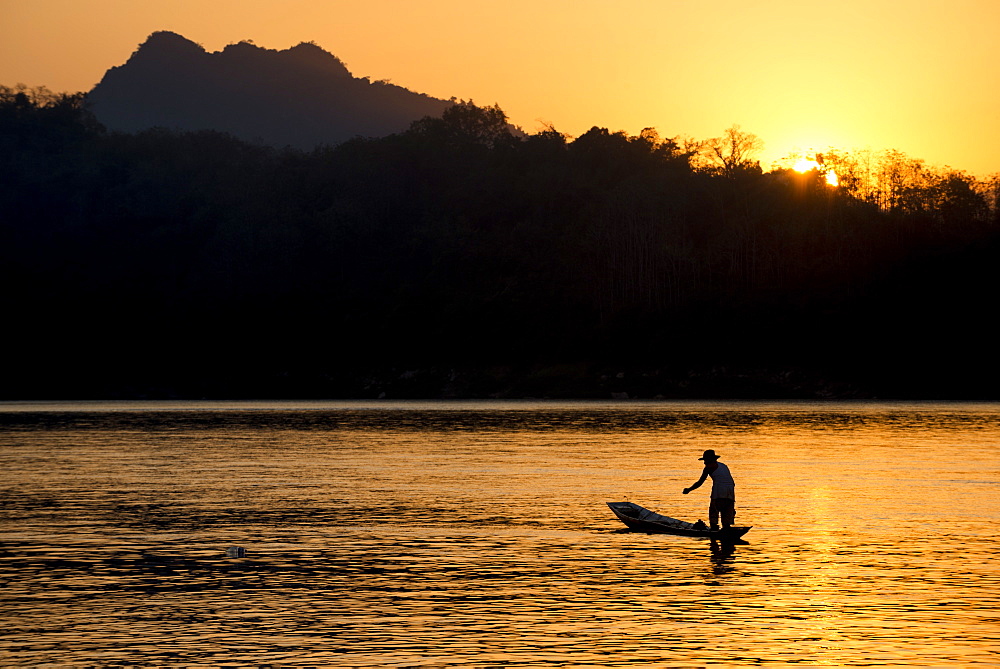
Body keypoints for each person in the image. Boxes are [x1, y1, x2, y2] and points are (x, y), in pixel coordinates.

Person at [682, 449, 736, 531]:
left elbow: (700, 482)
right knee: (726, 511)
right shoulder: (723, 465)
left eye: (705, 460)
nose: (704, 462)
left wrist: (689, 489)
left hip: (719, 490)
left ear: (710, 460)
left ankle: (714, 528)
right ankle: (726, 528)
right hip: (730, 490)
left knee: (714, 510)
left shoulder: (709, 467)